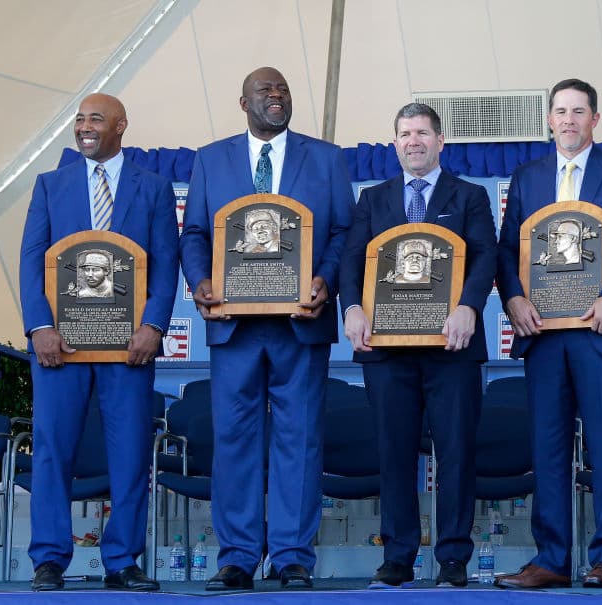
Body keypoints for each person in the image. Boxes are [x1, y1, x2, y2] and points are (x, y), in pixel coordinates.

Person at [178, 66, 354, 591]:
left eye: (282, 90)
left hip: (300, 324)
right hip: (235, 328)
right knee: (233, 440)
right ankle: (236, 558)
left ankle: (293, 556)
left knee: (299, 441)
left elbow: (344, 228)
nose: (275, 97)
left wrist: (325, 278)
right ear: (243, 102)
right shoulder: (210, 160)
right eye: (264, 90)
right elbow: (192, 233)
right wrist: (200, 281)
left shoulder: (326, 158)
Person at [495, 78, 602, 590]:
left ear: (595, 119)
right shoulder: (526, 176)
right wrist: (514, 298)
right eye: (560, 111)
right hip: (542, 332)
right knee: (547, 446)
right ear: (548, 119)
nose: (568, 120)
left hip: (600, 328)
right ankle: (551, 558)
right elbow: (506, 249)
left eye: (578, 111)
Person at [19, 93, 178, 592]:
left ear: (121, 125)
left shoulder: (152, 188)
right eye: (80, 119)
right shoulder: (50, 185)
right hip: (59, 347)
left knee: (130, 451)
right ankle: (48, 558)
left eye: (96, 119)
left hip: (127, 347)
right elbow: (31, 261)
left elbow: (165, 263)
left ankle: (123, 561)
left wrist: (153, 325)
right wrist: (39, 327)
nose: (85, 127)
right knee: (52, 449)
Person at [340, 102, 496, 589]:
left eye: (423, 133)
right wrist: (351, 308)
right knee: (394, 453)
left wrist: (470, 305)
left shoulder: (469, 195)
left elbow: (487, 254)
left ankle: (453, 558)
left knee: (455, 452)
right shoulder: (372, 199)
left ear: (440, 141)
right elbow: (351, 261)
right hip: (386, 352)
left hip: (452, 347)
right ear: (395, 143)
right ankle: (398, 557)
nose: (414, 141)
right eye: (405, 134)